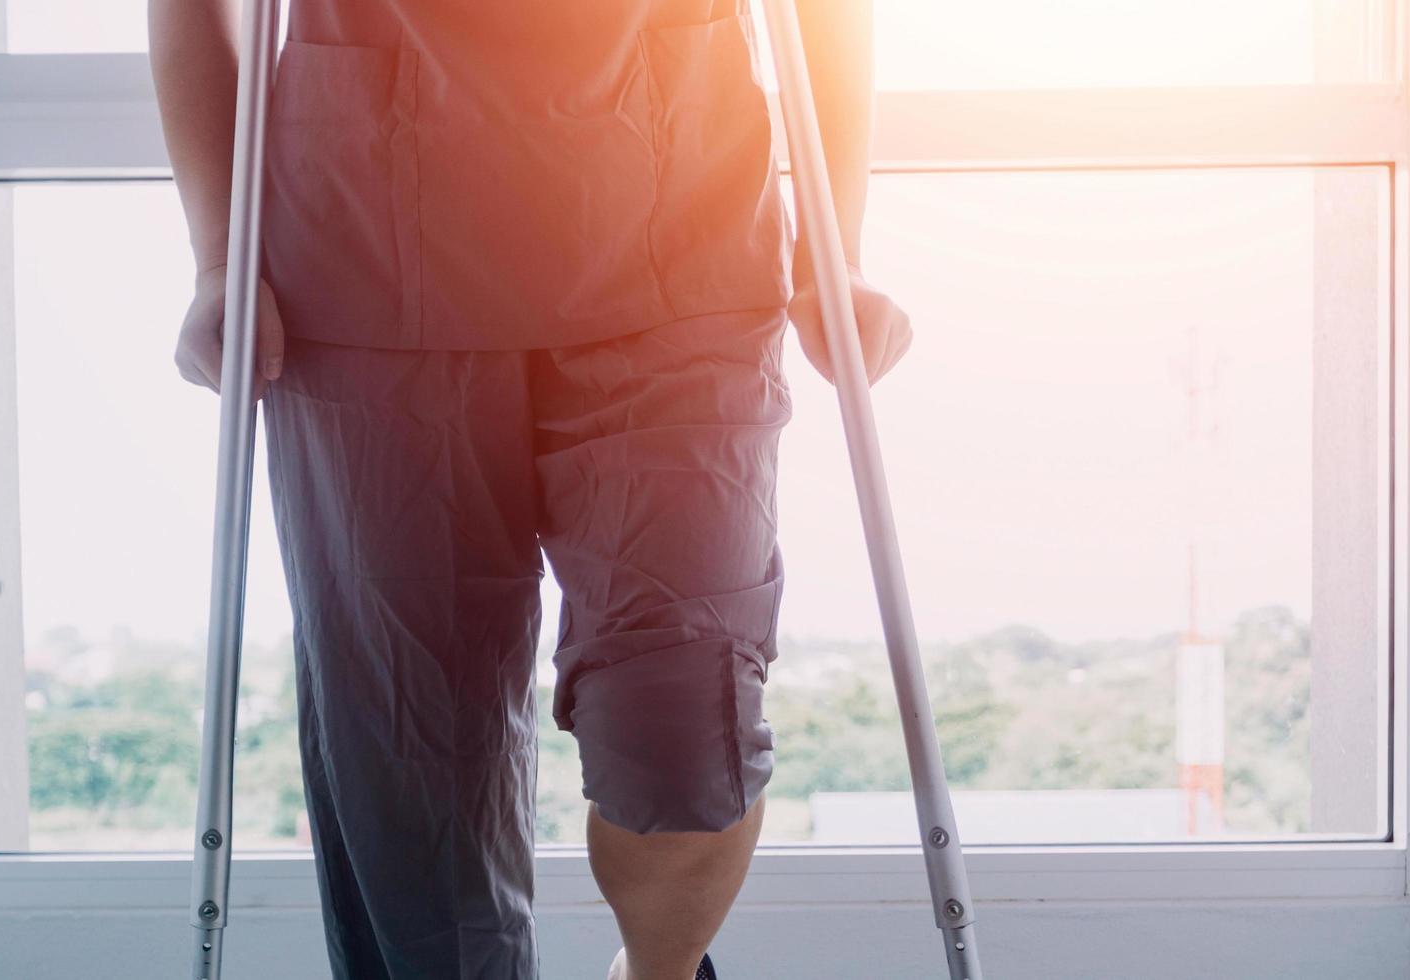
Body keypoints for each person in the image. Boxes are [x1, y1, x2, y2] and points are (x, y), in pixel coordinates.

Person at [149, 1, 911, 977]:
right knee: (413, 774)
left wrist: (834, 249)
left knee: (683, 729)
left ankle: (658, 967)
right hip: (367, 256)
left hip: (678, 241)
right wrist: (218, 255)